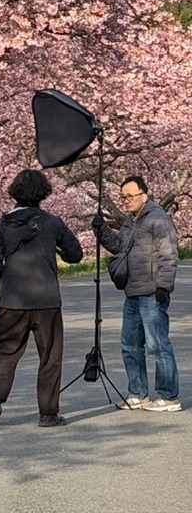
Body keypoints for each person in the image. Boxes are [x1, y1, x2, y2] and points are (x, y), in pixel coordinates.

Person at [0, 169, 83, 428]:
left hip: (13, 300)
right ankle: (48, 413)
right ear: (43, 193)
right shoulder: (52, 222)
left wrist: (1, 286)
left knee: (2, 352)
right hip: (47, 300)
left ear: (15, 192)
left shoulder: (2, 224)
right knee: (50, 357)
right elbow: (75, 254)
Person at [92, 175, 181, 412]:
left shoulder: (158, 219)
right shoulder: (131, 221)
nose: (125, 201)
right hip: (132, 291)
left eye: (129, 196)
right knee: (129, 345)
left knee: (157, 344)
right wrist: (101, 229)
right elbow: (119, 247)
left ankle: (168, 396)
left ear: (144, 195)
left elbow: (169, 254)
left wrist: (164, 286)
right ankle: (138, 394)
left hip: (152, 292)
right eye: (123, 197)